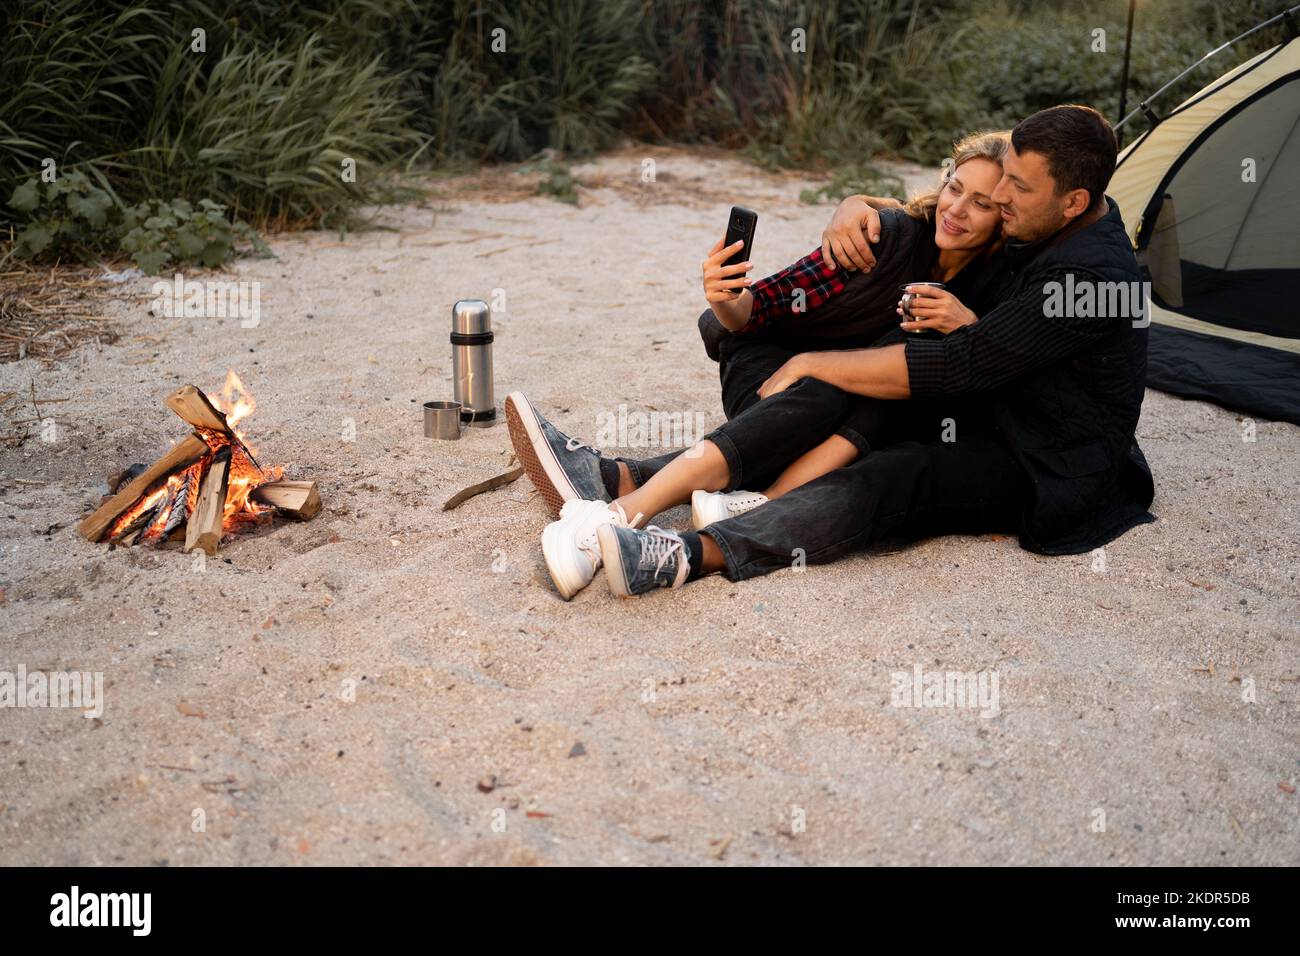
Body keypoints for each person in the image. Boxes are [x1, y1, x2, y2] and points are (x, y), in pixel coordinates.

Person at [534, 105, 1155, 599]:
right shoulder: (1046, 220)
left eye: (1015, 189)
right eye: (1003, 182)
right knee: (863, 389)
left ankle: (684, 554)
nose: (1004, 200)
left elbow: (959, 363)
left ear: (1072, 201)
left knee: (892, 474)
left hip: (1045, 458)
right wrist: (859, 203)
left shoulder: (1091, 282)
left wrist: (813, 361)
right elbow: (939, 224)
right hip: (985, 406)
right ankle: (624, 489)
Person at [506, 131, 1011, 598]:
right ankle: (611, 518)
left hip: (846, 420)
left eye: (981, 203)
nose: (957, 209)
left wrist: (966, 326)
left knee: (870, 388)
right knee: (825, 386)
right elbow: (759, 308)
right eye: (955, 187)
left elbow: (959, 378)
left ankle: (631, 484)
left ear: (1005, 217)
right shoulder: (882, 237)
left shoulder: (992, 289)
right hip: (768, 374)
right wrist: (724, 295)